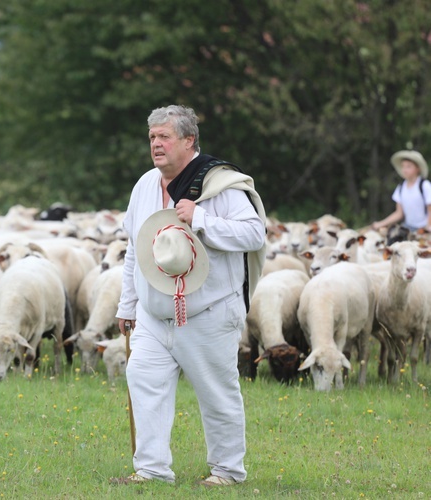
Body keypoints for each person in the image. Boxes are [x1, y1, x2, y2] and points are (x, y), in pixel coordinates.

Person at [112, 105, 266, 487]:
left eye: (164, 136)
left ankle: (228, 472)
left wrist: (201, 219)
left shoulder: (220, 183)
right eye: (152, 137)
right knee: (143, 380)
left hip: (208, 311)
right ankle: (151, 470)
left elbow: (254, 235)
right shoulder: (145, 184)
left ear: (188, 140)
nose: (156, 144)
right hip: (152, 311)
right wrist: (127, 303)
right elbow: (136, 246)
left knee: (216, 392)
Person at [371, 150, 431, 233]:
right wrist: (380, 224)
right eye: (403, 166)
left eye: (409, 166)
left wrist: (427, 229)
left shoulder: (424, 185)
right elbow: (399, 213)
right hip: (408, 228)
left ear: (418, 168)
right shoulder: (401, 188)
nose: (405, 170)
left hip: (424, 228)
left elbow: (430, 210)